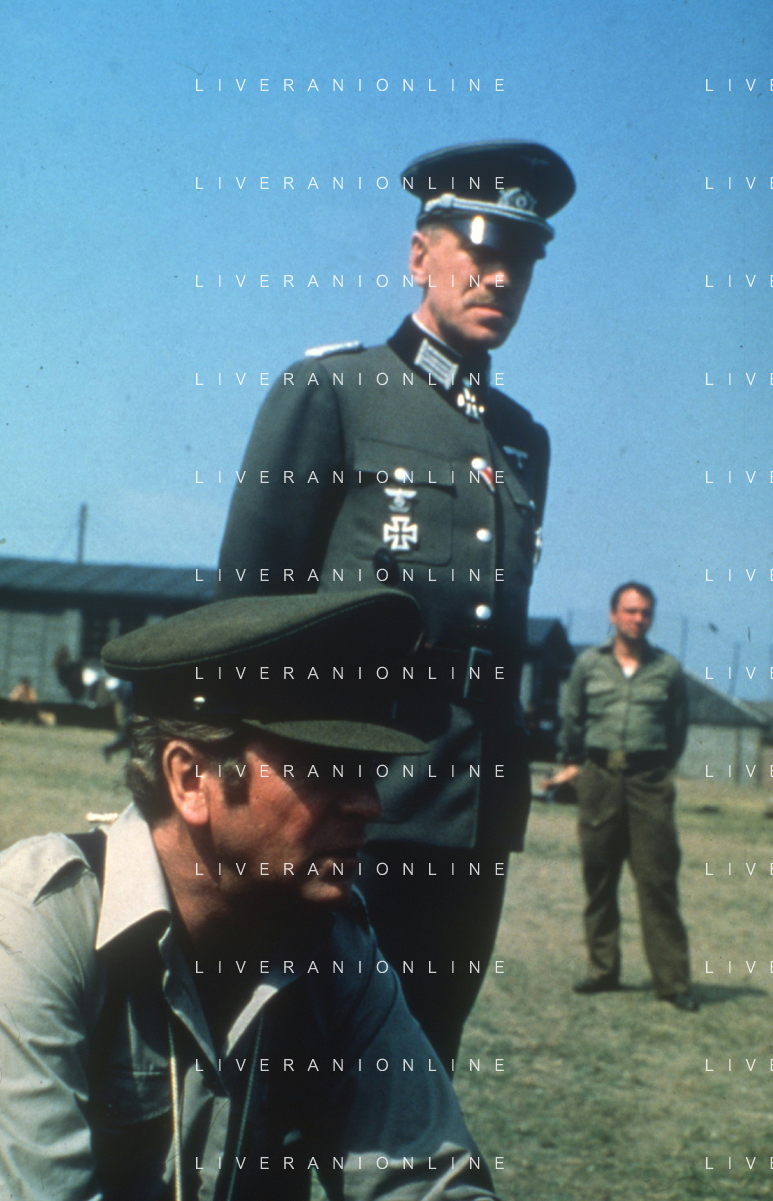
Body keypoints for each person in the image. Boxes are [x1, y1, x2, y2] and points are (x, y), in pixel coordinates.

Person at [218, 140, 575, 1069]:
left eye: (521, 259)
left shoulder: (522, 440)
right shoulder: (334, 392)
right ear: (420, 254)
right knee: (301, 1068)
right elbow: (247, 609)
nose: (502, 276)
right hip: (351, 798)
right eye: (480, 249)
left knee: (422, 1068)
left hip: (472, 806)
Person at [0, 590, 502, 1201]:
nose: (370, 805)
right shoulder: (38, 921)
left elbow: (429, 1185)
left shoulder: (336, 950)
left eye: (369, 770)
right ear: (191, 779)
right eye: (325, 768)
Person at [547, 582, 698, 1011]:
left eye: (645, 612)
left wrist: (656, 766)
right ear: (613, 615)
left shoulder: (667, 669)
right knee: (599, 877)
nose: (638, 619)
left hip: (649, 782)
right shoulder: (588, 665)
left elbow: (677, 729)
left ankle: (673, 982)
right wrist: (574, 762)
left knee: (657, 881)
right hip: (598, 779)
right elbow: (573, 718)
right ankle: (602, 970)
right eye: (630, 611)